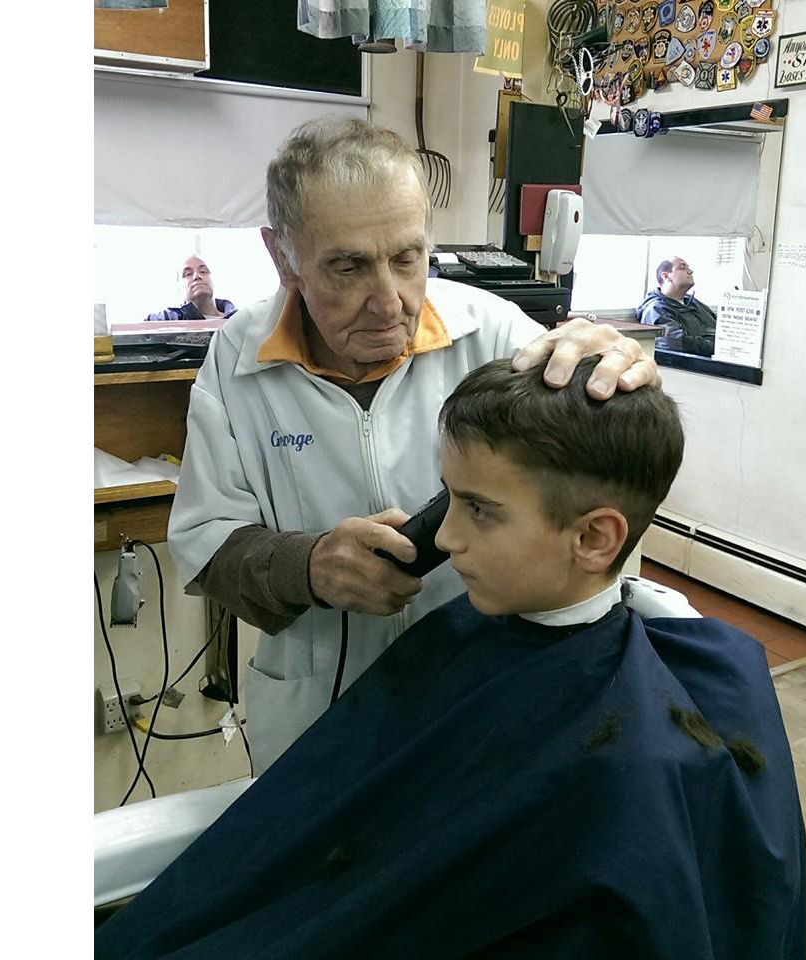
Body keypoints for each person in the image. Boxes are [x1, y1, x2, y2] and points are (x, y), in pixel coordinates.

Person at [97, 357, 806, 959]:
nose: (445, 539)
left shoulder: (630, 761)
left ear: (595, 539)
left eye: (479, 509)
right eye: (449, 501)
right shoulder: (464, 637)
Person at [166, 117, 661, 776]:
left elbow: (605, 459)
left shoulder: (492, 334)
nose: (388, 302)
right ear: (282, 257)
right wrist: (308, 567)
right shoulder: (237, 358)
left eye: (408, 258)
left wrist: (619, 369)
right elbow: (205, 544)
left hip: (482, 698)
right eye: (347, 266)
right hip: (320, 714)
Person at [637, 256, 718, 357]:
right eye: (682, 268)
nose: (690, 271)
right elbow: (675, 342)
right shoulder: (656, 309)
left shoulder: (694, 303)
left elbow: (720, 326)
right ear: (666, 276)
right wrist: (718, 347)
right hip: (694, 363)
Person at [144, 255, 237, 322]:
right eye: (188, 274)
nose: (197, 276)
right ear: (179, 288)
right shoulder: (168, 318)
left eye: (203, 271)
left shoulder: (239, 320)